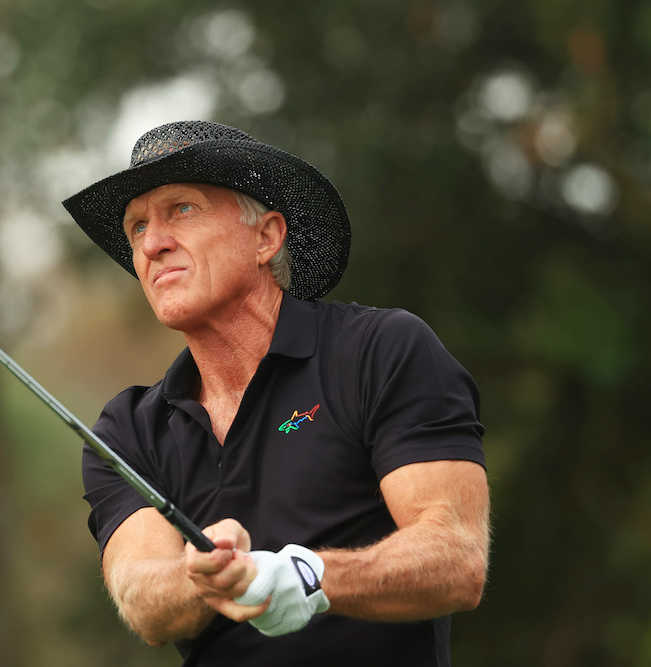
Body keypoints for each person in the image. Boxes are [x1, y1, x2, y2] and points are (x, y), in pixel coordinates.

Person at [62, 120, 490, 666]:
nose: (153, 243)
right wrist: (204, 577)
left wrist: (310, 577)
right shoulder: (127, 427)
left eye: (183, 209)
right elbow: (142, 598)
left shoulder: (380, 350)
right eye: (138, 226)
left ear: (266, 237)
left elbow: (457, 557)